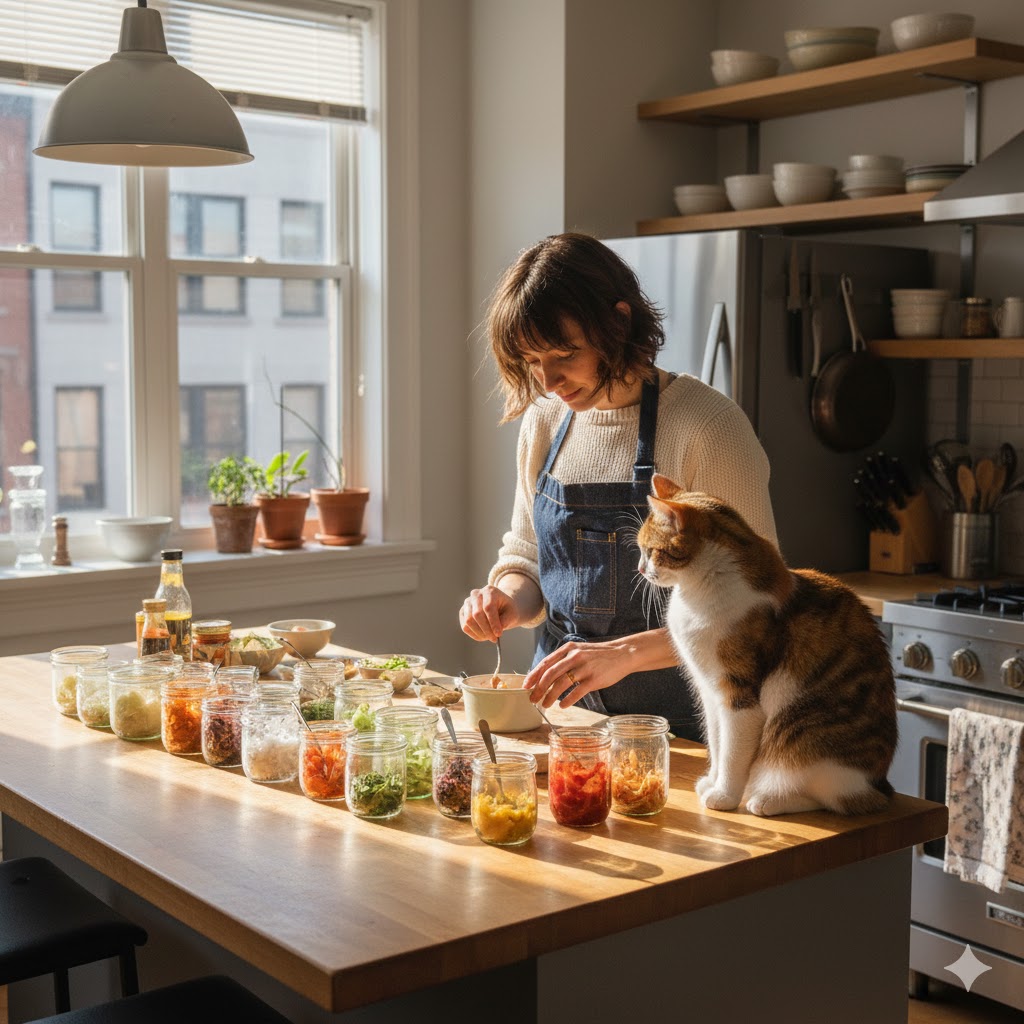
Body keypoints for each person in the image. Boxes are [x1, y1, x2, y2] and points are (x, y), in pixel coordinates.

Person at [458, 232, 777, 741]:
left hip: (682, 731)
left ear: (619, 321)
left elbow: (758, 607)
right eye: (532, 360)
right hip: (562, 723)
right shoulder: (543, 423)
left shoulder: (707, 427)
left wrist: (625, 654)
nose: (549, 380)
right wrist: (505, 600)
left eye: (565, 353)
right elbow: (527, 557)